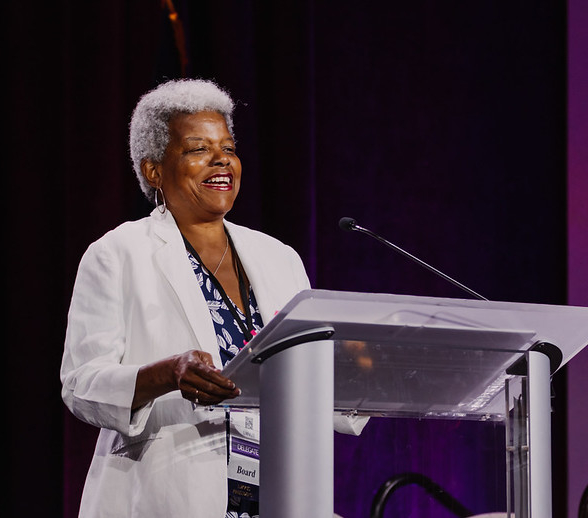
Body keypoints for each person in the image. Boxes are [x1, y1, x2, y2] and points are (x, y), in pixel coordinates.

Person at [60, 79, 365, 518]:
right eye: (197, 149)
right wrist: (166, 374)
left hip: (281, 494)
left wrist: (363, 369)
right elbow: (81, 384)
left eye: (228, 146)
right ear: (153, 171)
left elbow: (306, 379)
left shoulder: (278, 257)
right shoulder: (118, 253)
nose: (222, 159)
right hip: (168, 496)